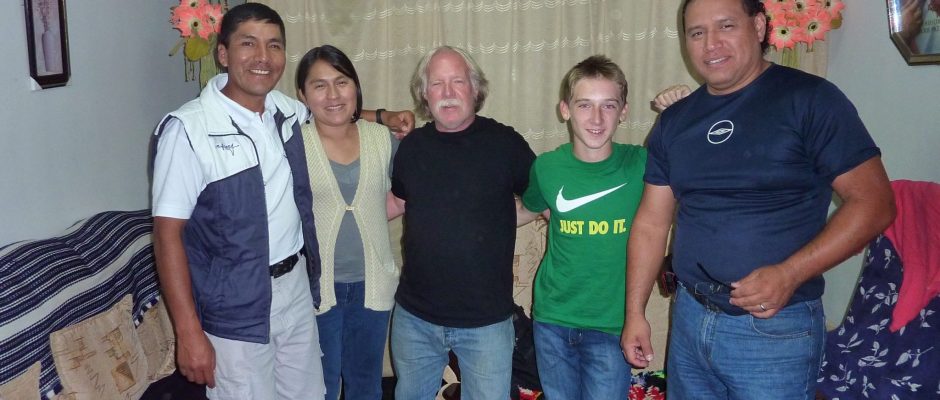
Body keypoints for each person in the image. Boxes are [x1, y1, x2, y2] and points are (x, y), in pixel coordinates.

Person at [619, 0, 896, 399]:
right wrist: (635, 313)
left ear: (760, 26)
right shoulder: (676, 120)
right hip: (690, 319)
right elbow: (651, 223)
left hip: (774, 330)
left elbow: (874, 203)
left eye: (726, 26)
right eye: (697, 33)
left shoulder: (810, 99)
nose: (710, 43)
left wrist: (789, 273)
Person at [150, 4, 413, 399]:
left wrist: (384, 116)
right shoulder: (188, 130)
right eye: (248, 44)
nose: (262, 56)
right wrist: (188, 333)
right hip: (235, 307)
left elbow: (332, 109)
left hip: (296, 287)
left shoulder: (284, 112)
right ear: (222, 54)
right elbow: (167, 235)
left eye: (273, 45)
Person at [387, 45, 536, 399]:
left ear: (475, 88)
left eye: (458, 81)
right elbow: (397, 203)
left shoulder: (505, 144)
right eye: (437, 84)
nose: (448, 92)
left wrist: (510, 216)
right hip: (415, 318)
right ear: (424, 94)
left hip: (486, 323)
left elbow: (543, 199)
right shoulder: (412, 148)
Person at [515, 55, 645, 399]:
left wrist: (681, 107)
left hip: (612, 324)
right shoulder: (547, 167)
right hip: (552, 320)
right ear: (565, 110)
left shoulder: (641, 164)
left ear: (623, 111)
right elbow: (527, 210)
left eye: (608, 105)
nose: (596, 118)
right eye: (584, 105)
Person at [294, 44, 401, 400]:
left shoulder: (382, 139)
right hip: (314, 289)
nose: (333, 95)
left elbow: (406, 195)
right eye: (319, 85)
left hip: (372, 284)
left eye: (341, 82)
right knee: (319, 388)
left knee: (366, 385)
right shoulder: (293, 144)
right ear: (302, 96)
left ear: (355, 86)